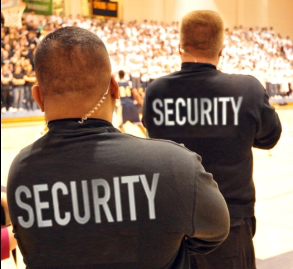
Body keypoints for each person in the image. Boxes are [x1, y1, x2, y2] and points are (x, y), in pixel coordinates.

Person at [7, 26, 229, 269]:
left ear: (38, 97)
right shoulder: (176, 164)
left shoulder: (22, 170)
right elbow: (217, 230)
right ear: (114, 88)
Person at [142, 10, 282, 269]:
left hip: (172, 225)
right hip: (230, 222)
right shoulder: (247, 90)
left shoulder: (156, 92)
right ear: (221, 50)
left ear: (179, 47)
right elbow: (270, 137)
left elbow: (155, 141)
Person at [116, 69, 146, 135]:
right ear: (124, 75)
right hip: (131, 104)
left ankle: (124, 141)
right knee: (139, 124)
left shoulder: (117, 83)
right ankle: (147, 136)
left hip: (123, 105)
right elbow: (136, 93)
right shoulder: (129, 83)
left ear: (118, 75)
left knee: (120, 125)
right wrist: (142, 103)